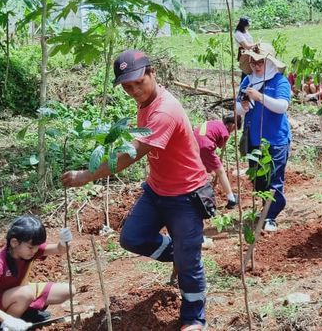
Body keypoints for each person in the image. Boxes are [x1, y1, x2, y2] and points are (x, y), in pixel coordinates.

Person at [61, 50, 212, 331]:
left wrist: (86, 175)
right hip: (158, 190)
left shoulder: (165, 110)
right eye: (127, 87)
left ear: (153, 73)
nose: (134, 91)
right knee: (132, 238)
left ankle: (194, 318)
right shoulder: (147, 102)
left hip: (186, 195)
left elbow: (129, 156)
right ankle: (181, 254)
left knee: (189, 264)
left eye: (139, 82)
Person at [0, 216, 73, 331]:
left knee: (68, 290)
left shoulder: (29, 250)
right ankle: (4, 326)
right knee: (26, 293)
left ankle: (25, 315)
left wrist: (65, 243)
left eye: (36, 247)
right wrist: (7, 319)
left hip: (18, 294)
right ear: (14, 242)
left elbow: (59, 249)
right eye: (31, 247)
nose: (35, 251)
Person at [235, 43, 292, 232]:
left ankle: (271, 216)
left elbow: (282, 106)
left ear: (269, 63)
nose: (256, 67)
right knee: (260, 179)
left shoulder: (279, 82)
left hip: (276, 139)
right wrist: (243, 105)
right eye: (253, 63)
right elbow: (238, 109)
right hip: (254, 139)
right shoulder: (248, 82)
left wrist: (260, 97)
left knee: (274, 179)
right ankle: (265, 210)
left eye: (260, 63)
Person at [193, 116, 238, 209]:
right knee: (220, 171)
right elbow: (220, 146)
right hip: (205, 146)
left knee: (200, 169)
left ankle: (197, 194)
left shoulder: (213, 122)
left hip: (193, 144)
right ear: (233, 126)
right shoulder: (225, 132)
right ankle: (232, 199)